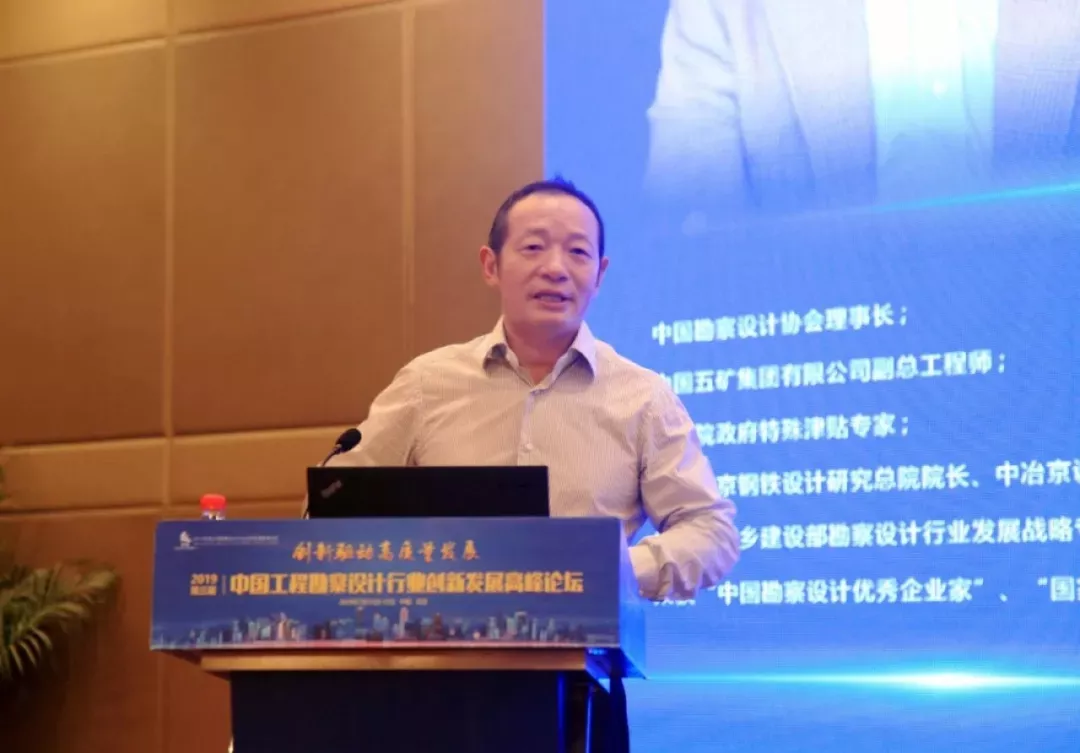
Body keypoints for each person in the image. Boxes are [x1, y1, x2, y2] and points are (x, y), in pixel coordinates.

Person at [324, 177, 739, 602]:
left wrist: (608, 569)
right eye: (534, 247)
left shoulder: (644, 398)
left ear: (599, 274)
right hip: (439, 636)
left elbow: (711, 530)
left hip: (581, 639)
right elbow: (335, 507)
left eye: (578, 252)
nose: (555, 268)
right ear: (491, 266)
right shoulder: (427, 384)